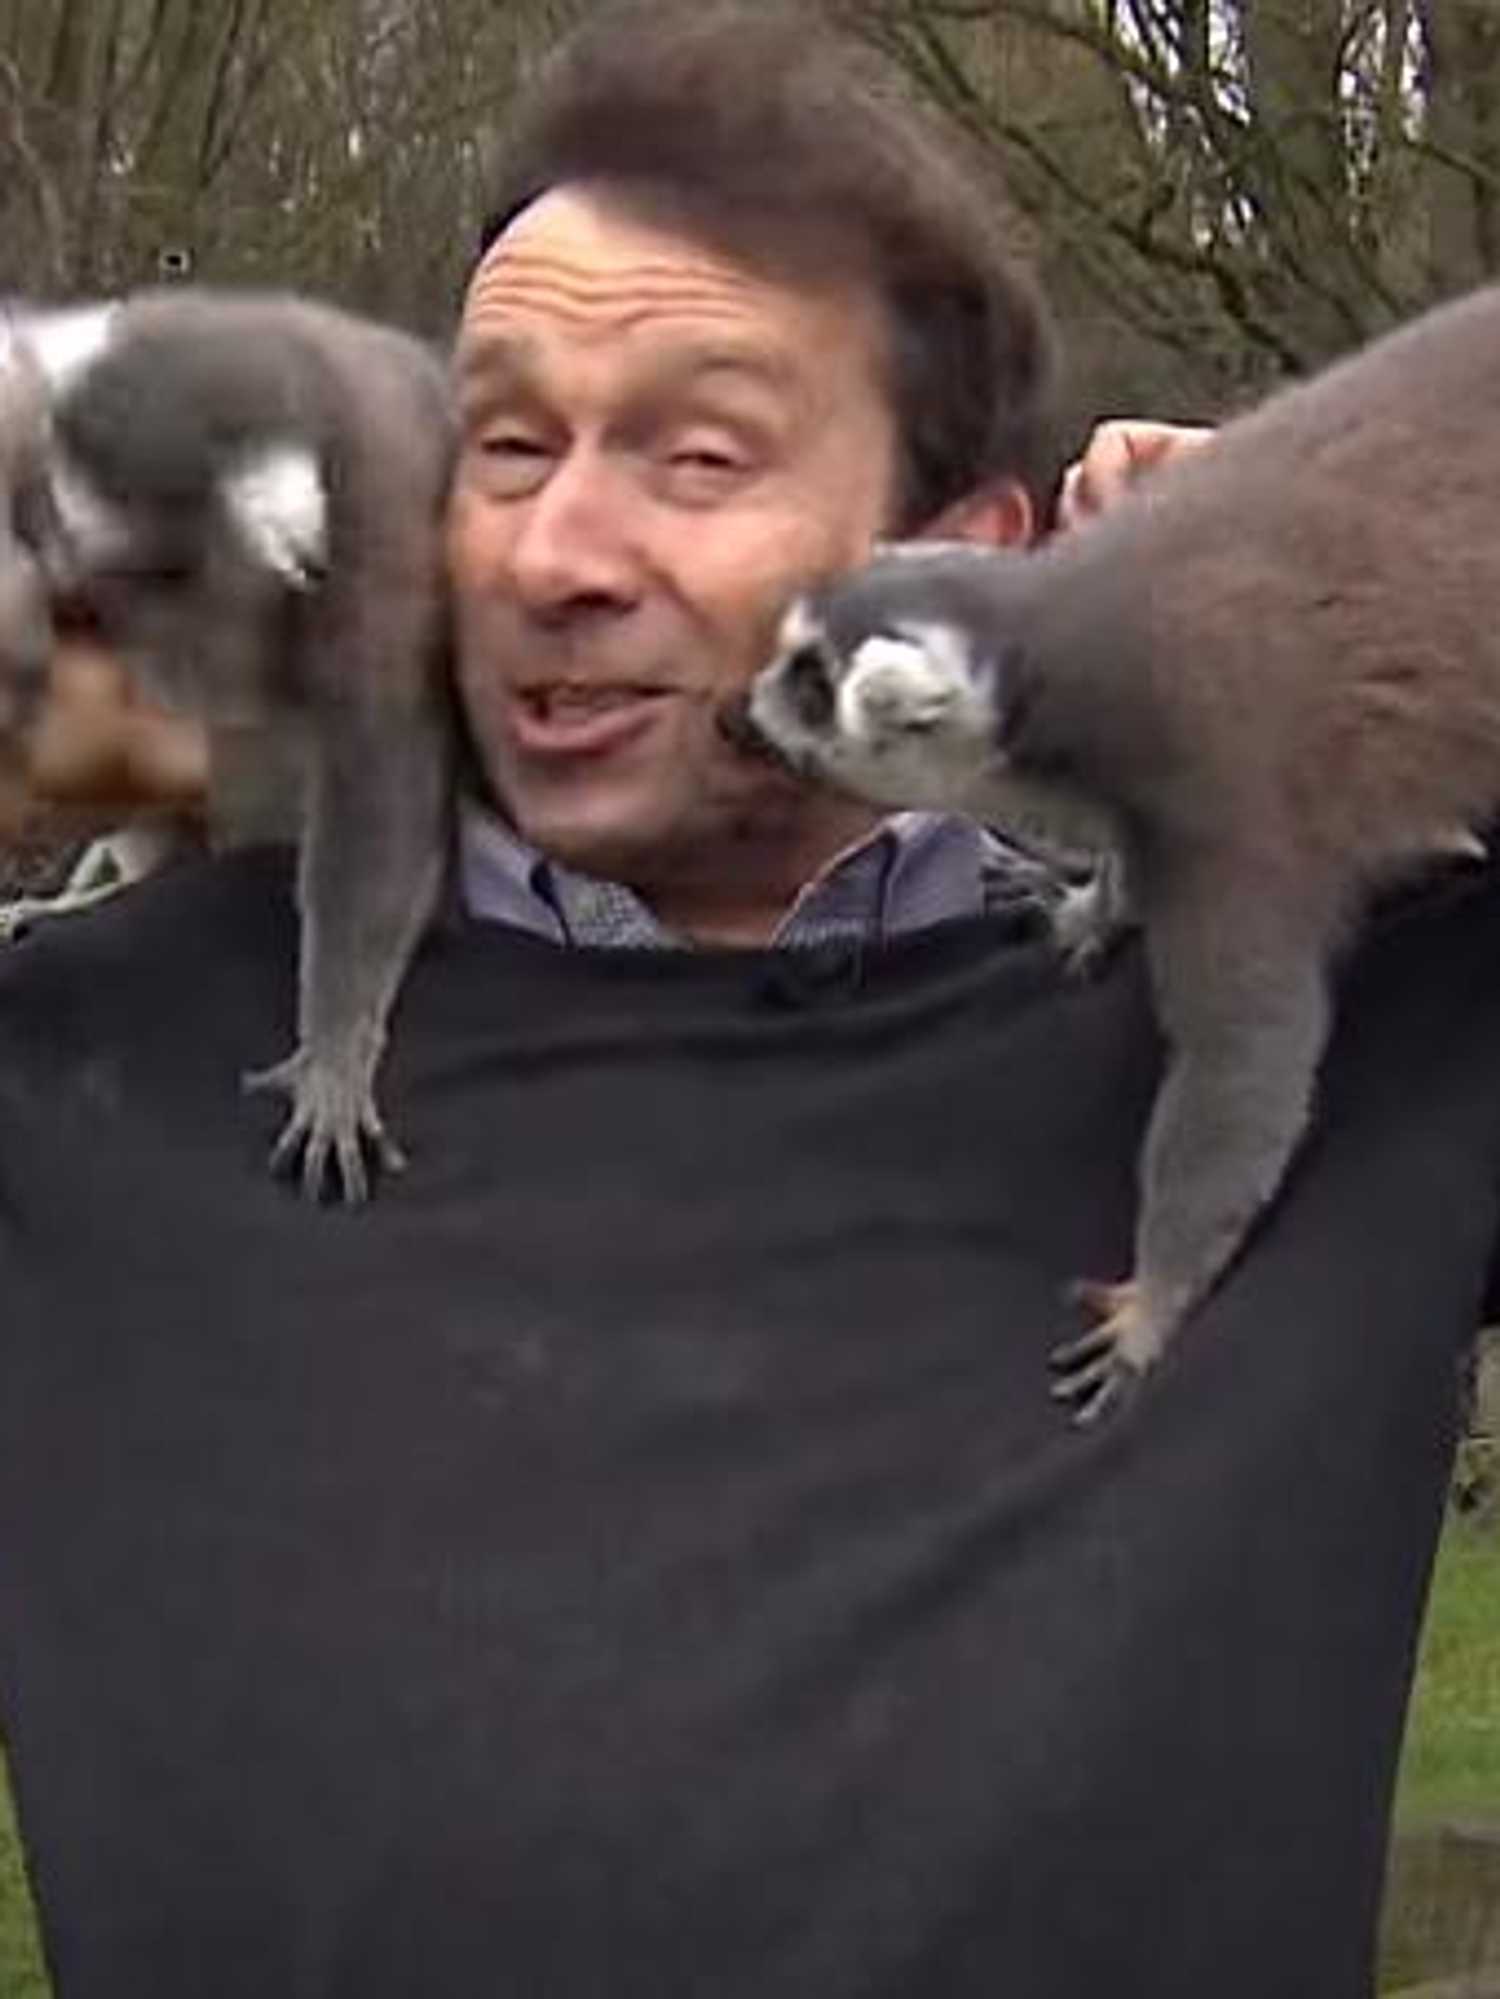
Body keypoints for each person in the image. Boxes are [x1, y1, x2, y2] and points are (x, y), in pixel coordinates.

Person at [0, 6, 1495, 1995]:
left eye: (693, 454)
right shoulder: (95, 1063)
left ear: (966, 554)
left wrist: (1379, 607)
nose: (556, 552)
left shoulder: (1335, 1010)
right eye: (503, 444)